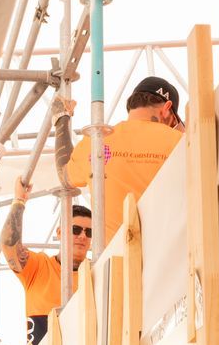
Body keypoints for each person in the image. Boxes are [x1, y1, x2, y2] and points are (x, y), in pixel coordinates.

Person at [67, 75, 185, 246]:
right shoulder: (179, 142)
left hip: (114, 262)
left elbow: (65, 176)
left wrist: (62, 118)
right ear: (167, 108)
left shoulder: (95, 141)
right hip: (165, 254)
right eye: (173, 121)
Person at [1, 178, 91, 345]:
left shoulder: (96, 273)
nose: (82, 236)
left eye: (89, 232)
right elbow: (8, 245)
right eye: (76, 229)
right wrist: (19, 201)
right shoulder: (39, 267)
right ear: (59, 232)